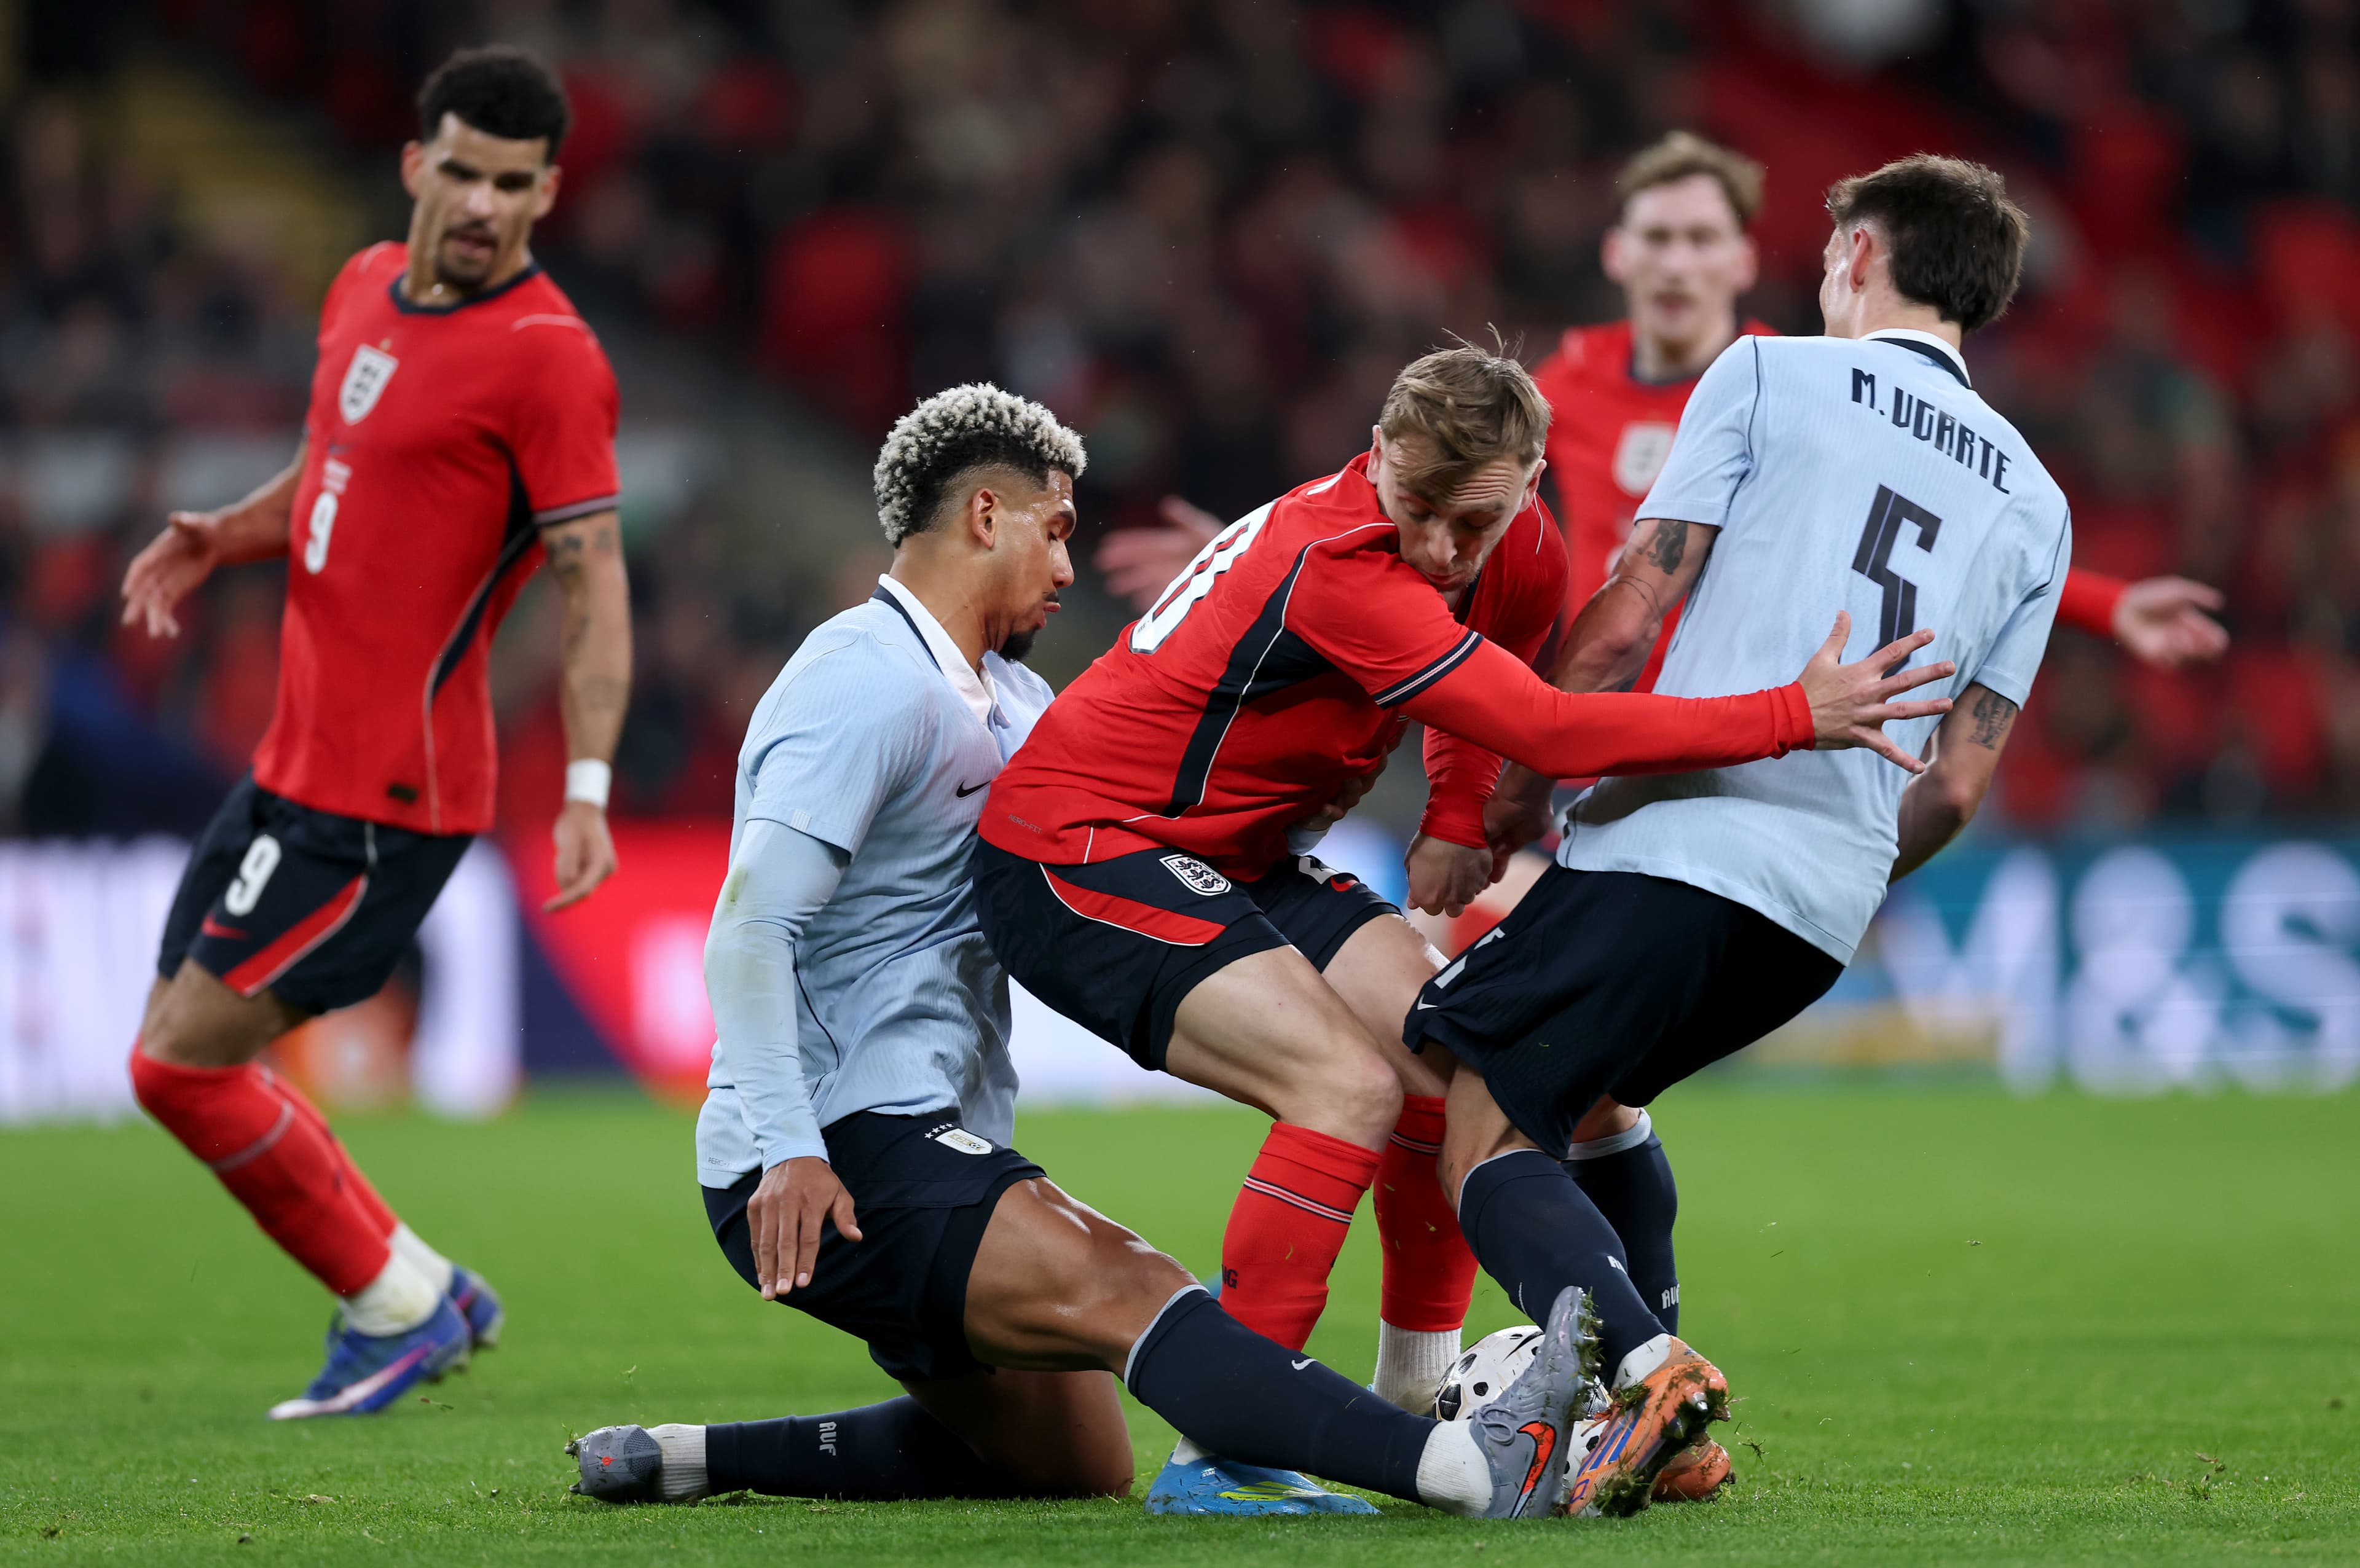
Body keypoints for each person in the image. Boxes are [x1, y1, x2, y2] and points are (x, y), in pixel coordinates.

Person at [566, 384, 1604, 1522]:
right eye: (1056, 531)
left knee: (1070, 1459)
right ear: (985, 516)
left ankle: (683, 1458)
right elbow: (751, 928)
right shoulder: (860, 676)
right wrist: (788, 1150)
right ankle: (1459, 1468)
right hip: (839, 1152)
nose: (1069, 569)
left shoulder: (1010, 698)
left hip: (938, 1130)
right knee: (1139, 1292)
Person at [973, 342, 1951, 1507]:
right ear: (1379, 454)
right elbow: (1550, 726)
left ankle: (1406, 1395)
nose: (1442, 546)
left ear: (1531, 484)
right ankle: (1225, 1455)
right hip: (1082, 848)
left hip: (1243, 854)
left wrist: (1449, 808)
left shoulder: (1525, 549)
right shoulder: (1341, 564)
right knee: (1346, 1087)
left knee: (1457, 1067)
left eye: (1473, 520)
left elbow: (1493, 669)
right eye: (1420, 508)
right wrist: (1797, 712)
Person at [1410, 155, 2071, 1516]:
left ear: (1865, 257)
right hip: (1820, 913)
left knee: (1476, 1118)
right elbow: (1954, 785)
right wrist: (1834, 872)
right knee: (1595, 1102)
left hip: (1677, 842)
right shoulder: (2041, 504)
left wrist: (1522, 792)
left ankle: (1648, 1365)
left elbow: (1637, 599)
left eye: (1832, 249)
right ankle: (1663, 1436)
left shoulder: (1769, 373)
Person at [116, 47, 629, 1419]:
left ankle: (400, 1299)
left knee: (177, 1065)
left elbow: (594, 583)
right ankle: (416, 1294)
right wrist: (231, 529)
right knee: (179, 1047)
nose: (482, 204)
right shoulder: (357, 288)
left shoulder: (551, 362)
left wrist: (585, 782)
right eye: (461, 171)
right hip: (289, 768)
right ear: (416, 165)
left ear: (547, 194)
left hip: (388, 799)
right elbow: (344, 467)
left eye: (512, 185)